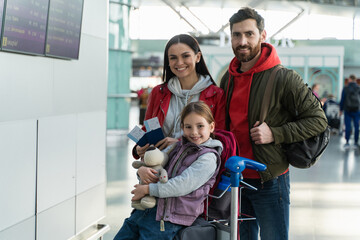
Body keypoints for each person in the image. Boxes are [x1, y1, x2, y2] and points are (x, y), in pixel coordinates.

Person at [220, 7, 328, 240]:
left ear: (262, 35)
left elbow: (318, 120)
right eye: (237, 35)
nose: (243, 41)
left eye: (249, 34)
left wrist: (275, 133)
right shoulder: (228, 78)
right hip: (236, 180)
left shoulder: (284, 77)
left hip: (269, 180)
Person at [113, 101, 223, 240]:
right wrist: (142, 170)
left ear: (211, 126)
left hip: (169, 218)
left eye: (200, 126)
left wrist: (147, 190)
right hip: (147, 210)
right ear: (182, 127)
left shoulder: (208, 158)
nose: (194, 132)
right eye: (188, 127)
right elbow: (154, 163)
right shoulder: (177, 147)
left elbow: (182, 184)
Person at [133, 34, 225, 169]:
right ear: (168, 62)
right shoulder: (158, 92)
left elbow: (219, 136)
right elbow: (148, 128)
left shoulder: (215, 95)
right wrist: (138, 149)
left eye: (185, 56)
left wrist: (179, 143)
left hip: (195, 168)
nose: (179, 62)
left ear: (197, 57)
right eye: (173, 58)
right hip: (159, 166)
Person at [340, 74, 360, 148]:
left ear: (350, 79)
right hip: (357, 110)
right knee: (356, 126)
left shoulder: (346, 88)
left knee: (348, 126)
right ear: (355, 80)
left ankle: (347, 142)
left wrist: (341, 109)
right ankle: (355, 143)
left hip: (347, 110)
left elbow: (342, 99)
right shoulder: (358, 88)